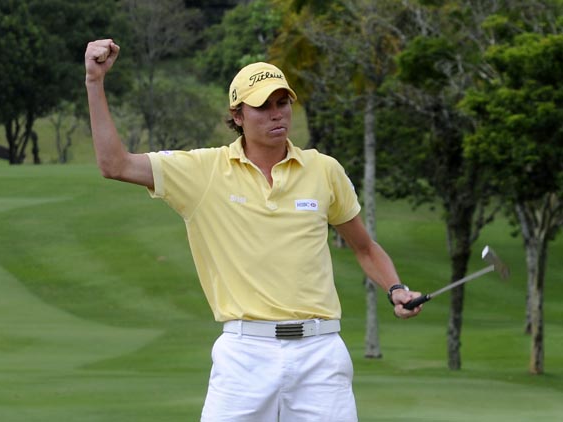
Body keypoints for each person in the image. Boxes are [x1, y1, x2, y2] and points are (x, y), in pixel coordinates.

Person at [85, 38, 422, 422]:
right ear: (238, 115)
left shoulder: (324, 170)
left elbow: (364, 247)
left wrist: (396, 289)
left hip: (320, 351)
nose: (276, 114)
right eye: (262, 106)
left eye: (283, 103)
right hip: (245, 354)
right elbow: (113, 164)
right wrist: (95, 82)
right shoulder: (203, 171)